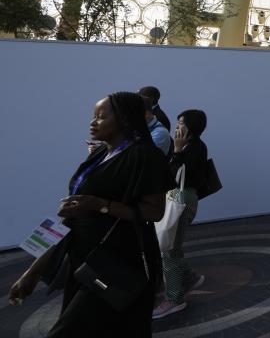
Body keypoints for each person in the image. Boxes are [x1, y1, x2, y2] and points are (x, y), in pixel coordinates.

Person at [7, 92, 175, 336]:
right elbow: (70, 215)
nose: (92, 122)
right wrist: (32, 271)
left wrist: (100, 205)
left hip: (117, 264)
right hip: (83, 262)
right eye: (93, 116)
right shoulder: (99, 154)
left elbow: (154, 212)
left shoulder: (145, 156)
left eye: (100, 116)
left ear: (125, 120)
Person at [152, 109, 209, 319]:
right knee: (171, 247)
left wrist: (176, 152)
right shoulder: (191, 146)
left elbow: (173, 176)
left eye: (181, 123)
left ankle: (174, 299)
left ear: (192, 126)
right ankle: (189, 277)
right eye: (177, 123)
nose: (177, 126)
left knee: (168, 251)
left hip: (180, 199)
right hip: (178, 197)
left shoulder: (194, 148)